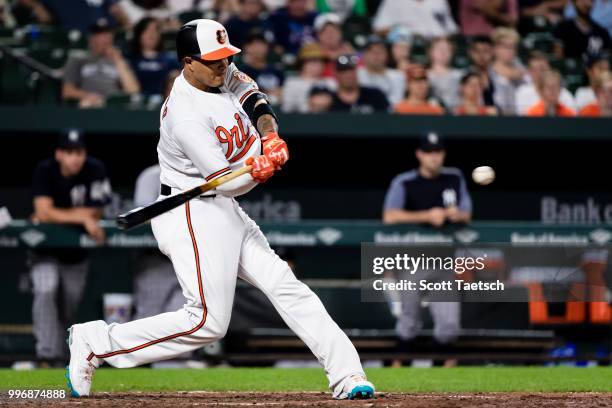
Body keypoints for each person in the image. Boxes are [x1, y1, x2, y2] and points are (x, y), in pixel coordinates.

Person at [66, 19, 375, 401]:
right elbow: (228, 181)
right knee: (207, 323)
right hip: (191, 210)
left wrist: (270, 135)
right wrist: (262, 171)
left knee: (285, 284)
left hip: (221, 205)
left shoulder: (220, 73)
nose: (222, 66)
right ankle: (96, 341)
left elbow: (253, 95)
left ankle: (347, 375)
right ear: (187, 62)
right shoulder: (185, 115)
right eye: (212, 61)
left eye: (225, 58)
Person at [382, 132, 471, 362]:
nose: (434, 157)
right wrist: (428, 215)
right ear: (420, 155)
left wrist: (454, 215)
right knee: (409, 321)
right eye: (429, 152)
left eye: (438, 152)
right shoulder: (405, 181)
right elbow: (390, 216)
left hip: (443, 261)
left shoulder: (454, 177)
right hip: (411, 261)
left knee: (450, 326)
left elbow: (467, 213)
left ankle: (439, 372)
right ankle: (402, 370)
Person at [30, 129, 111, 366]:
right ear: (59, 154)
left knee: (67, 308)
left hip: (76, 257)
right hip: (44, 252)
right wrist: (82, 218)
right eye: (68, 152)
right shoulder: (44, 170)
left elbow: (97, 210)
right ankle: (46, 355)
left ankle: (61, 357)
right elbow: (43, 210)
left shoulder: (95, 169)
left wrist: (56, 214)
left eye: (78, 152)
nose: (74, 157)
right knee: (46, 289)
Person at [62, 22, 140, 108]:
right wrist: (89, 96)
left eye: (107, 33)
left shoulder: (119, 61)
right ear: (91, 38)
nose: (105, 38)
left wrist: (118, 61)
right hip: (87, 104)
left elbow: (133, 90)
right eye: (99, 34)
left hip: (114, 105)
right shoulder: (78, 59)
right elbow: (67, 91)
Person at [129, 17, 180, 99]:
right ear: (139, 34)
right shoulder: (131, 59)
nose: (151, 34)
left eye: (155, 30)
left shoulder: (170, 59)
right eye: (147, 30)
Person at [281, 43, 336, 113]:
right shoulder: (292, 83)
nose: (318, 64)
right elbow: (287, 109)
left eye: (321, 61)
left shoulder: (331, 82)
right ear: (302, 63)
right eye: (313, 61)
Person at [236, 31, 284, 105]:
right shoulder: (241, 72)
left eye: (260, 44)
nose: (257, 47)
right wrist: (268, 92)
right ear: (246, 47)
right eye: (253, 44)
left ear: (267, 47)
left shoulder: (276, 71)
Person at [357, 35, 405, 106]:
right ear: (364, 55)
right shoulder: (356, 75)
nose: (376, 54)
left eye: (380, 50)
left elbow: (396, 103)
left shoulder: (398, 76)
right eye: (371, 51)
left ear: (387, 54)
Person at [373, 0, 458, 39]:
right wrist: (405, 33)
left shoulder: (439, 1)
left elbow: (452, 29)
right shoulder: (393, 1)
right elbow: (379, 29)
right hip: (409, 45)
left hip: (438, 47)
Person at [489, 27, 527, 115]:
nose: (510, 51)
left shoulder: (520, 66)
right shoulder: (489, 70)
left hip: (521, 115)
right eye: (506, 47)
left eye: (513, 47)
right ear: (495, 48)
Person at [37, 0, 129, 32]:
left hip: (103, 35)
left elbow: (115, 9)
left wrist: (127, 24)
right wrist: (37, 7)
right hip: (73, 37)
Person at [427, 37, 464, 110]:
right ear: (431, 52)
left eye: (447, 49)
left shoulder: (459, 75)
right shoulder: (423, 75)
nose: (443, 52)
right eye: (439, 49)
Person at [313, 13, 354, 78]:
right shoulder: (312, 54)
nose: (330, 35)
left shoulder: (350, 51)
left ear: (341, 33)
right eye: (325, 31)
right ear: (318, 35)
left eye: (334, 30)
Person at [468, 36, 496, 106]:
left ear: (492, 52)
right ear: (471, 53)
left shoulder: (500, 76)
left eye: (485, 51)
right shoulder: (463, 76)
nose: (481, 55)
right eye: (477, 51)